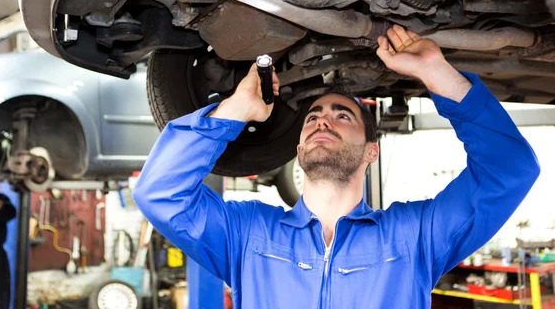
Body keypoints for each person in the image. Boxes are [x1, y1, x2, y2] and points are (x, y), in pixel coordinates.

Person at [133, 25, 540, 308]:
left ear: (370, 152)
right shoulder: (248, 235)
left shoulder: (414, 237)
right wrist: (236, 109)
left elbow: (510, 169)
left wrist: (438, 73)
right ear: (299, 147)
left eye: (342, 116)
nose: (321, 120)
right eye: (312, 117)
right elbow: (160, 194)